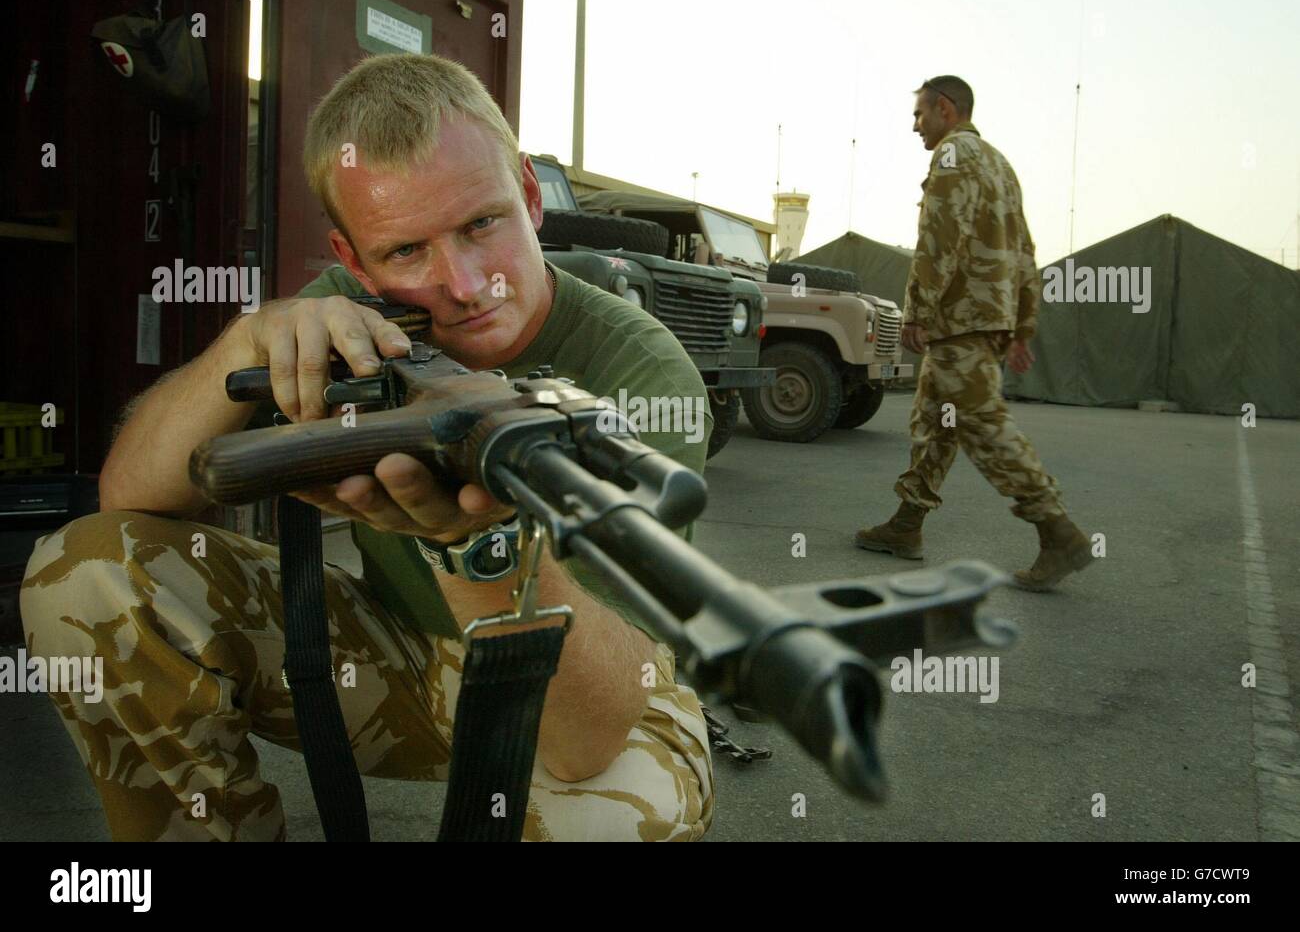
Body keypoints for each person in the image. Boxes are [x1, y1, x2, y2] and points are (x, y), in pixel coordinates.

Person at [21, 53, 714, 841]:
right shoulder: (352, 314)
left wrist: (481, 548)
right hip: (391, 664)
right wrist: (244, 343)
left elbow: (589, 735)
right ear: (351, 260)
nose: (462, 283)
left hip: (582, 676)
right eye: (405, 252)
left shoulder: (642, 371)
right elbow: (128, 497)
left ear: (529, 194)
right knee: (85, 573)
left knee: (620, 814)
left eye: (481, 223)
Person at [855, 75, 1093, 592]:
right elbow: (1026, 249)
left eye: (920, 114)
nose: (915, 125)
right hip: (984, 319)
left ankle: (1058, 532)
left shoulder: (951, 156)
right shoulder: (1001, 165)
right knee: (934, 424)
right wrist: (1023, 324)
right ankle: (907, 524)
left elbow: (940, 237)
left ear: (945, 109)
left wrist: (917, 309)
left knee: (983, 424)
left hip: (958, 319)